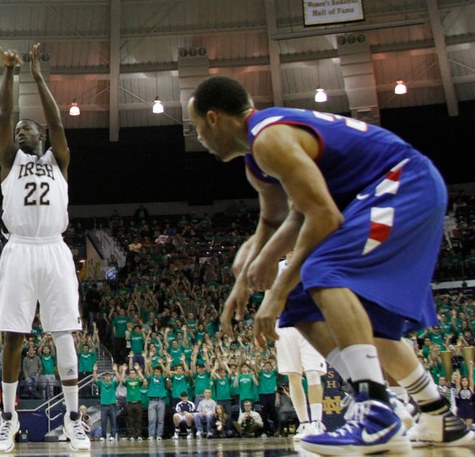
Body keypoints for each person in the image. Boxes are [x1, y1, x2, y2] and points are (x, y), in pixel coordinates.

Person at [190, 75, 471, 453]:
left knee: (322, 272)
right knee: (323, 309)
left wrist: (275, 292)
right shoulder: (256, 160)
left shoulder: (270, 138)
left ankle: (376, 414)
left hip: (403, 181)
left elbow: (323, 216)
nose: (198, 138)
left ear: (213, 118)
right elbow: (277, 218)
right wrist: (245, 278)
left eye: (196, 127)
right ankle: (438, 415)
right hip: (377, 193)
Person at [0, 43, 90, 452]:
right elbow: (4, 118)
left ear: (42, 136)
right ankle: (8, 420)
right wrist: (10, 73)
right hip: (18, 249)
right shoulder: (9, 161)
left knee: (63, 332)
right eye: (18, 131)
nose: (19, 132)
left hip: (53, 249)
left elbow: (57, 122)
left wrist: (35, 75)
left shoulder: (57, 159)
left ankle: (73, 420)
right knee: (13, 336)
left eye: (27, 129)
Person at [273, 253, 328, 442]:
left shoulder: (314, 262)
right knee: (293, 376)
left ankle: (317, 422)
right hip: (285, 324)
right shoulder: (277, 268)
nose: (291, 250)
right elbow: (269, 295)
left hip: (310, 322)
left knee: (312, 373)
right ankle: (304, 423)